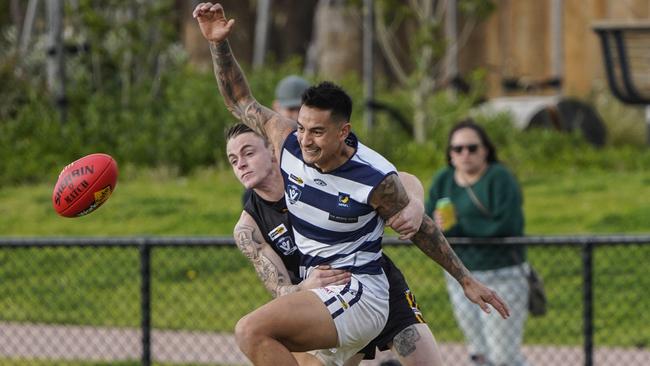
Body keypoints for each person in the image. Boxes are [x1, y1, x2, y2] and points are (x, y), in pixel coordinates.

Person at [194, 4, 510, 365]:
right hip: (322, 294)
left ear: (343, 132)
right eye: (302, 128)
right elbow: (240, 100)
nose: (306, 140)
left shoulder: (372, 177)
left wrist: (465, 279)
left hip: (362, 292)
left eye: (317, 132)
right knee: (262, 337)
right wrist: (218, 44)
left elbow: (421, 227)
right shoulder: (286, 144)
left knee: (250, 330)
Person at [226, 122, 443, 365]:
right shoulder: (249, 227)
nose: (241, 164)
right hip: (326, 305)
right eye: (233, 160)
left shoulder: (312, 172)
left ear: (274, 151)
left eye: (248, 153)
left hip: (376, 284)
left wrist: (414, 203)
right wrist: (304, 287)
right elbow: (280, 290)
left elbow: (398, 178)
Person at [425, 119, 529, 366]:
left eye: (472, 148)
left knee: (504, 355)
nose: (465, 154)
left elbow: (507, 224)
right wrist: (437, 225)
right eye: (457, 149)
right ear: (450, 154)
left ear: (485, 150)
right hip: (461, 276)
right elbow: (427, 219)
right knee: (478, 352)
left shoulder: (499, 178)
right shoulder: (444, 180)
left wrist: (459, 227)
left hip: (502, 274)